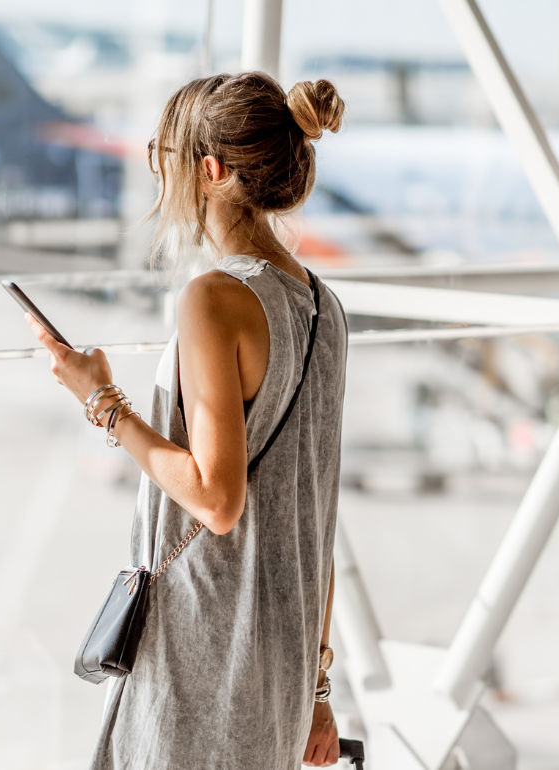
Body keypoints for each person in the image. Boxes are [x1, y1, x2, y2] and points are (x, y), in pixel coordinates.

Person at [25, 71, 349, 769]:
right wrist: (318, 686)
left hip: (205, 662)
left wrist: (101, 401)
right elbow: (317, 510)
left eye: (159, 155)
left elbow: (215, 498)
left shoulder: (215, 298)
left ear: (209, 170)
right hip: (280, 670)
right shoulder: (323, 307)